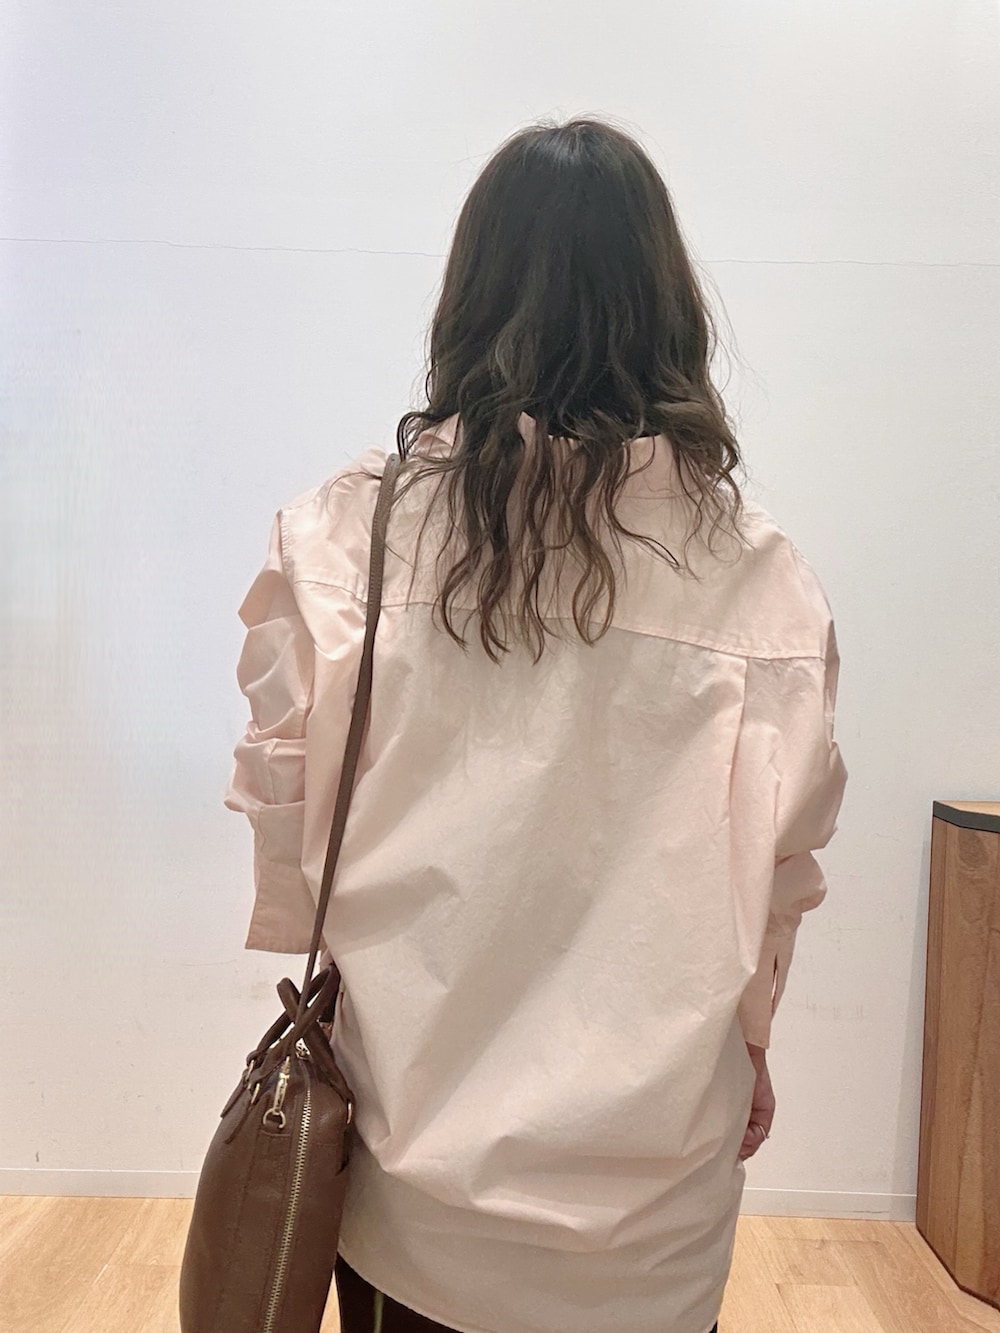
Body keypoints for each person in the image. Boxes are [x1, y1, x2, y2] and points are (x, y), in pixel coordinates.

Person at [224, 117, 847, 1333]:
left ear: (470, 299)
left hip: (414, 1172)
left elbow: (290, 845)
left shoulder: (348, 539)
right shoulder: (762, 580)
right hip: (654, 1205)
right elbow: (779, 869)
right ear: (668, 310)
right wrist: (752, 1039)